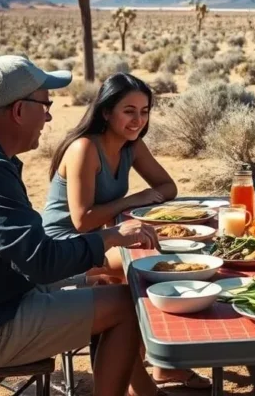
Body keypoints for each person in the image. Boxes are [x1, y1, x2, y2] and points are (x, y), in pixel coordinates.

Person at [0, 56, 162, 396]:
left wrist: (82, 274)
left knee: (105, 286)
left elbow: (25, 255)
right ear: (17, 111)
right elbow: (41, 262)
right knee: (127, 306)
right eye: (44, 105)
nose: (49, 115)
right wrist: (111, 237)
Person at [41, 73, 209, 391]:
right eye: (129, 110)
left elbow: (167, 187)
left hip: (101, 240)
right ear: (106, 112)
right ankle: (144, 379)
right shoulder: (84, 148)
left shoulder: (132, 145)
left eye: (144, 111)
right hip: (64, 248)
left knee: (157, 258)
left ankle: (157, 370)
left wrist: (134, 206)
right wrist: (134, 200)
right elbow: (81, 220)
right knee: (149, 268)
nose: (138, 119)